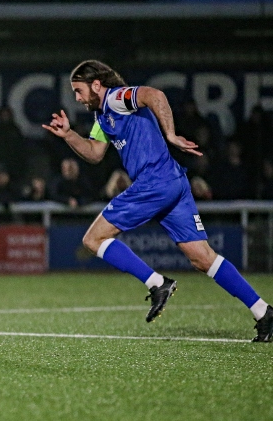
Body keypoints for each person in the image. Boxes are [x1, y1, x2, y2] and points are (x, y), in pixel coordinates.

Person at [42, 59, 273, 342]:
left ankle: (157, 283)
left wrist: (171, 134)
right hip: (173, 182)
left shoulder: (115, 98)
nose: (77, 98)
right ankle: (264, 312)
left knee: (93, 239)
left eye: (79, 90)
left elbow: (154, 95)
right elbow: (94, 153)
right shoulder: (103, 115)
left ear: (97, 85)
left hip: (154, 183)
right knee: (202, 258)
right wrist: (68, 135)